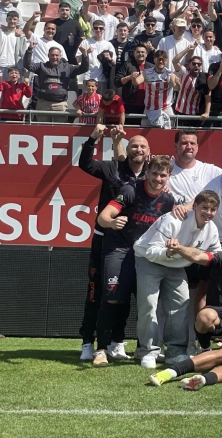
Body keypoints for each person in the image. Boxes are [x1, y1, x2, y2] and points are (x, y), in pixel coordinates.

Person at [92, 156, 176, 367]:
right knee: (111, 297)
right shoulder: (130, 191)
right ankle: (101, 349)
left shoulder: (168, 200)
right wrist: (112, 222)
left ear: (169, 177)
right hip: (119, 249)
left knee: (148, 302)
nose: (158, 179)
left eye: (163, 175)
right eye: (154, 174)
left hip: (145, 253)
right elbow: (102, 217)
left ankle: (145, 349)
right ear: (146, 173)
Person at [75, 126, 149, 361]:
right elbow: (84, 164)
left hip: (133, 243)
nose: (138, 149)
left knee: (124, 293)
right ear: (127, 150)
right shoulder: (112, 167)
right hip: (104, 240)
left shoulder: (152, 174)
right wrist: (94, 138)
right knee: (97, 293)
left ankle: (117, 342)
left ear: (149, 152)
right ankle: (88, 341)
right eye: (134, 146)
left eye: (142, 146)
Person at [132, 190, 222, 368]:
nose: (208, 213)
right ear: (194, 206)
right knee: (149, 305)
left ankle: (175, 352)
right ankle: (148, 351)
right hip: (149, 261)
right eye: (204, 207)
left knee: (181, 305)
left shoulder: (211, 228)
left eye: (213, 209)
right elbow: (151, 250)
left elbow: (217, 253)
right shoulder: (172, 220)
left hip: (176, 266)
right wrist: (167, 252)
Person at [24, 44, 89, 123]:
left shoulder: (68, 67)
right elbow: (28, 65)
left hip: (60, 104)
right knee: (42, 129)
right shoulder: (41, 66)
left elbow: (84, 68)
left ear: (60, 56)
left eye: (57, 55)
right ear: (48, 55)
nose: (54, 57)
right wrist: (30, 49)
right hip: (43, 104)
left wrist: (85, 55)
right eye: (52, 55)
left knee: (60, 130)